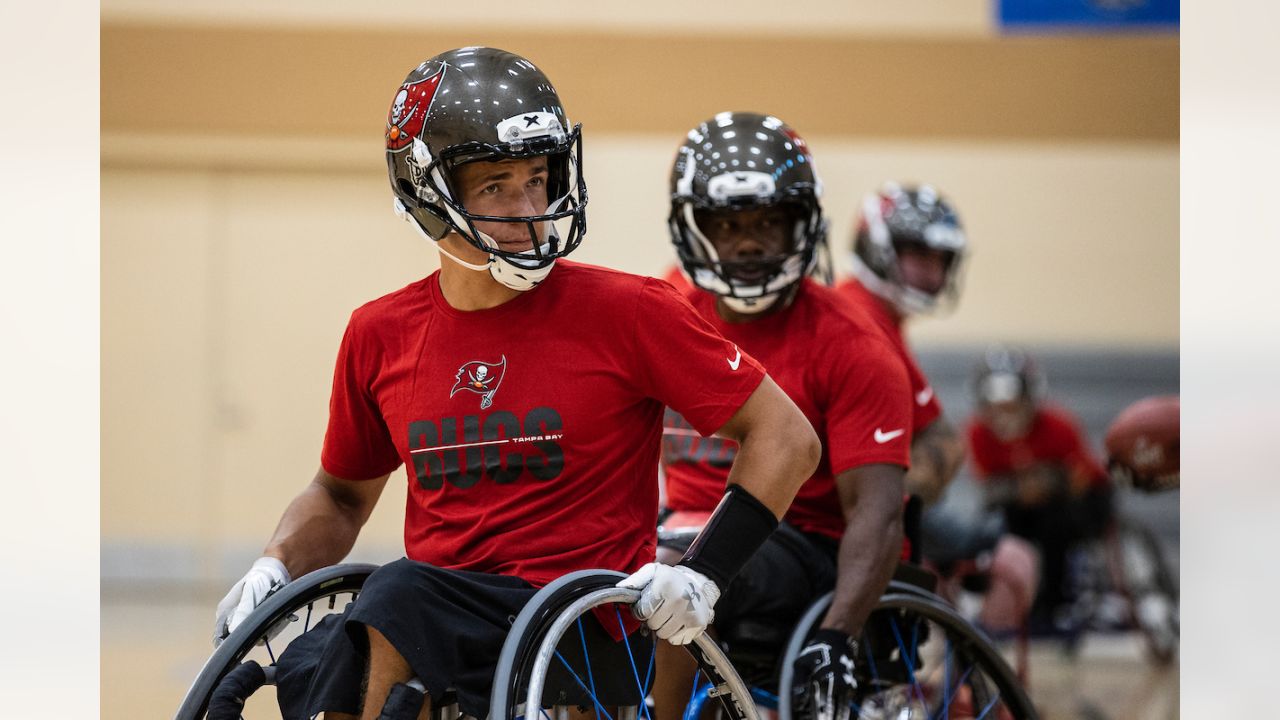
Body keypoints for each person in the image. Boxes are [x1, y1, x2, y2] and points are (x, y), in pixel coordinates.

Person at [209, 48, 821, 720]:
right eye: (496, 186)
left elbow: (786, 436)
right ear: (428, 194)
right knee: (319, 651)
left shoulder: (632, 311)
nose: (531, 208)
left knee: (395, 598)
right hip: (446, 622)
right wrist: (276, 563)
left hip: (581, 625)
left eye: (538, 177)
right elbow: (340, 495)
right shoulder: (378, 334)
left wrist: (703, 573)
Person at [653, 111, 914, 720]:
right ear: (695, 229)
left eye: (769, 221)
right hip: (672, 525)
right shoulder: (662, 311)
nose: (748, 241)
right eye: (728, 224)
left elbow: (876, 514)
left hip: (796, 548)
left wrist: (838, 634)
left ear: (804, 223)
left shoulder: (855, 344)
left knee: (673, 566)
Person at [835, 183, 969, 505]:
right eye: (919, 255)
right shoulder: (860, 318)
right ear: (877, 247)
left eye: (940, 260)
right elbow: (940, 440)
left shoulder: (871, 312)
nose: (932, 272)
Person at [966, 346, 1112, 630]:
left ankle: (1054, 606)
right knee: (993, 528)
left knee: (1055, 525)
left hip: (1079, 501)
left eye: (1012, 404)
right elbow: (988, 485)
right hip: (1021, 504)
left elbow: (1082, 477)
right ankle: (997, 603)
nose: (1004, 414)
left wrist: (1045, 485)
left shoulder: (1058, 425)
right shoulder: (977, 433)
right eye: (995, 406)